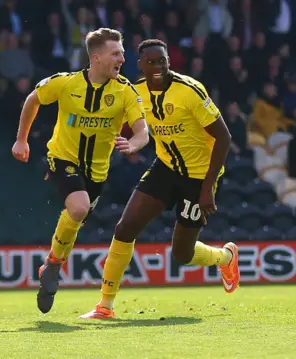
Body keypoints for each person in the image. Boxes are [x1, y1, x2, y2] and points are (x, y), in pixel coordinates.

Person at [79, 39, 239, 319]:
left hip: (199, 176)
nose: (157, 66)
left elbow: (224, 137)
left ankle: (225, 257)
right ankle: (105, 306)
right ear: (139, 65)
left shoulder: (189, 90)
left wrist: (207, 188)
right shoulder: (135, 91)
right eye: (151, 62)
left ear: (169, 61)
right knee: (124, 228)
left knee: (182, 255)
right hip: (165, 168)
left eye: (162, 61)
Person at [11, 28, 149, 314]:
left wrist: (134, 144)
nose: (123, 58)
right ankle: (54, 264)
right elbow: (33, 99)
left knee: (78, 214)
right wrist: (21, 139)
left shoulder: (125, 91)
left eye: (122, 53)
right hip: (63, 158)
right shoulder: (65, 83)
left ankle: (52, 263)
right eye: (116, 53)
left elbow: (142, 131)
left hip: (98, 172)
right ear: (96, 57)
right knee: (79, 207)